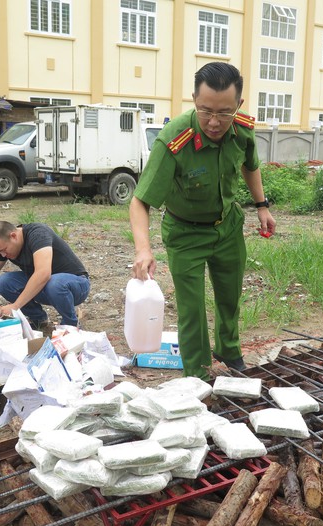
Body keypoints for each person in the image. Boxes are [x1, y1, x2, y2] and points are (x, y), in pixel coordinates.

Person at [129, 62, 276, 380]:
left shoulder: (242, 130)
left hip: (227, 227)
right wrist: (143, 249)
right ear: (194, 99)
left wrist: (261, 205)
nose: (213, 121)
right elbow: (140, 201)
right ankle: (198, 374)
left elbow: (250, 165)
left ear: (238, 105)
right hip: (185, 232)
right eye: (205, 110)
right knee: (192, 310)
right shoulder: (174, 140)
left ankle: (229, 350)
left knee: (229, 296)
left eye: (224, 113)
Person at [0, 220, 90, 328]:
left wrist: (15, 307)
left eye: (4, 250)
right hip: (47, 288)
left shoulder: (38, 234)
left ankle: (71, 324)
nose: (3, 255)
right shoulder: (3, 246)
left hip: (76, 285)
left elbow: (43, 273)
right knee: (4, 282)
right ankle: (38, 319)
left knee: (54, 283)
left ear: (13, 236)